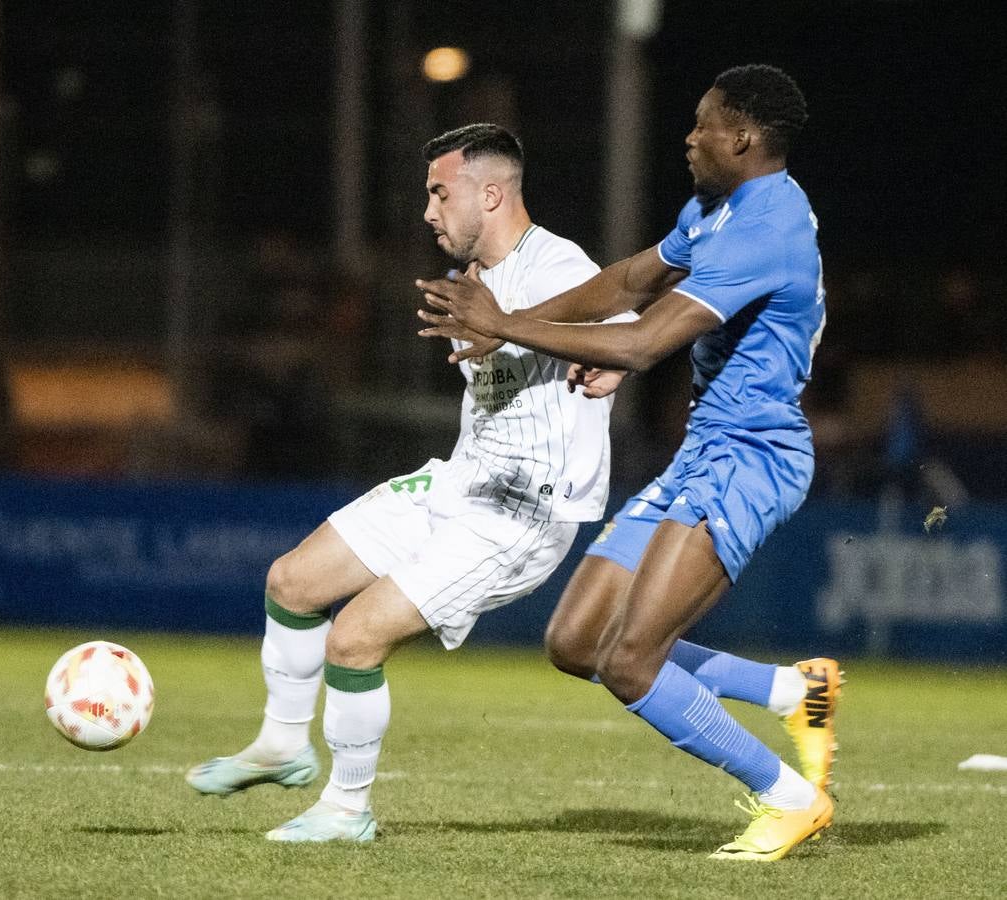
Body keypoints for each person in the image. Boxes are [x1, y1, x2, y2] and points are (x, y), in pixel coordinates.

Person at [417, 65, 841, 862]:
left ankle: (792, 798)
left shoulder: (765, 227)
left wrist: (508, 324)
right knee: (578, 641)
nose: (689, 137)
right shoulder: (717, 208)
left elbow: (644, 342)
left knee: (631, 661)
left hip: (752, 457)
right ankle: (794, 689)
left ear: (743, 138)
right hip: (704, 451)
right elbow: (625, 286)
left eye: (704, 123)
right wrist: (509, 322)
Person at [185, 123, 633, 841]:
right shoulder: (466, 285)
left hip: (522, 513)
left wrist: (610, 361)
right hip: (459, 485)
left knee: (354, 638)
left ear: (491, 194)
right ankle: (282, 744)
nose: (428, 211)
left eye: (439, 193)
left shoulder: (555, 264)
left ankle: (346, 809)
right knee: (292, 582)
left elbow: (627, 325)